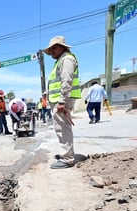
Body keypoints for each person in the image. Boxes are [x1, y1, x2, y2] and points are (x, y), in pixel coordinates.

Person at [44, 36, 81, 169]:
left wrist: (62, 101)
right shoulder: (61, 60)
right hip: (59, 100)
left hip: (62, 101)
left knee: (62, 128)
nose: (52, 51)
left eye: (55, 47)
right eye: (51, 49)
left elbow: (66, 81)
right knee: (63, 127)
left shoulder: (66, 59)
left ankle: (67, 159)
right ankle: (68, 154)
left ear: (62, 47)